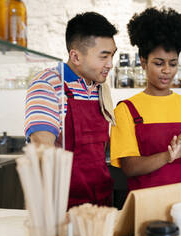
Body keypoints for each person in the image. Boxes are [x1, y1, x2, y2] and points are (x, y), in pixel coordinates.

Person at [110, 8, 181, 191]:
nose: (167, 70)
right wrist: (167, 156)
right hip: (147, 205)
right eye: (158, 63)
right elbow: (129, 168)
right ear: (143, 62)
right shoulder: (126, 110)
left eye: (172, 63)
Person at [24, 12, 117, 208]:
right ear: (75, 56)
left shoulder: (100, 87)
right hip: (64, 204)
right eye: (104, 56)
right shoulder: (48, 84)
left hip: (102, 201)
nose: (110, 64)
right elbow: (42, 147)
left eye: (112, 55)